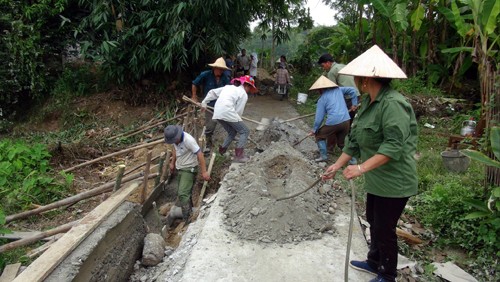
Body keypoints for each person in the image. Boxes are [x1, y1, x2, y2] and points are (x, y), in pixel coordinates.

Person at [321, 45, 418, 282]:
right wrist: (337, 165)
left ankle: (387, 274)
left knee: (385, 229)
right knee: (374, 221)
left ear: (365, 79)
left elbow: (393, 147)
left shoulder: (393, 104)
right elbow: (353, 142)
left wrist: (361, 168)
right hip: (376, 180)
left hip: (394, 181)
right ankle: (374, 261)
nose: (353, 80)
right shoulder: (367, 103)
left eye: (356, 77)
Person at [201, 75, 257, 163]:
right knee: (245, 131)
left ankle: (221, 151)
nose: (249, 90)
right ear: (247, 86)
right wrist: (238, 121)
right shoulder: (243, 94)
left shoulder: (228, 87)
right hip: (228, 111)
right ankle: (239, 156)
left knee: (232, 132)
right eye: (249, 88)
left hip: (217, 113)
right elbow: (238, 111)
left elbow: (212, 92)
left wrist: (204, 102)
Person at [318, 53, 361, 162]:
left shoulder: (332, 71)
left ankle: (331, 148)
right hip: (356, 96)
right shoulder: (343, 66)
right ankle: (347, 149)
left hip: (347, 98)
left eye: (323, 66)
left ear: (328, 63)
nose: (324, 68)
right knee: (347, 124)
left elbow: (332, 89)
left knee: (335, 121)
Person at [164, 125, 210, 222]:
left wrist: (204, 171)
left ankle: (188, 217)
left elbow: (200, 154)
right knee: (185, 193)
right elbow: (175, 150)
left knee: (182, 193)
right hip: (180, 167)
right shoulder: (176, 141)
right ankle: (189, 211)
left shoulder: (188, 140)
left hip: (189, 168)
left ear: (177, 137)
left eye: (173, 140)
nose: (173, 143)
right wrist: (172, 163)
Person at [308, 75, 358, 162]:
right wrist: (354, 103)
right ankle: (353, 161)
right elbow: (353, 90)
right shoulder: (338, 90)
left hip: (334, 121)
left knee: (319, 135)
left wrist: (314, 129)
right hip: (346, 120)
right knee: (341, 143)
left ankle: (323, 156)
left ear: (320, 89)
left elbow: (319, 118)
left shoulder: (322, 99)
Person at [192, 57, 231, 153]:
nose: (221, 71)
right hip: (208, 104)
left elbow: (229, 90)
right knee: (211, 124)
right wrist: (194, 96)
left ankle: (210, 140)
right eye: (219, 69)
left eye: (222, 70)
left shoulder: (225, 78)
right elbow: (194, 83)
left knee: (218, 123)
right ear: (214, 68)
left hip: (220, 104)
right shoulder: (205, 75)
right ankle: (207, 143)